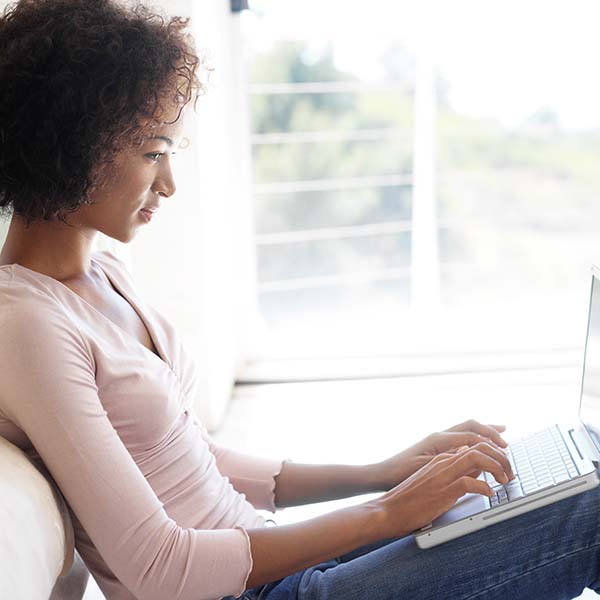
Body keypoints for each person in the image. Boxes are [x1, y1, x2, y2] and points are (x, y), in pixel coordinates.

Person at [0, 1, 599, 599]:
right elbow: (160, 568)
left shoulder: (101, 274)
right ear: (72, 143)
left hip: (267, 562)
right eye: (154, 151)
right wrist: (388, 512)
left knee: (568, 485)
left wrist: (385, 473)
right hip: (249, 591)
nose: (169, 183)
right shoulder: (27, 323)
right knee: (590, 515)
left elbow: (194, 461)